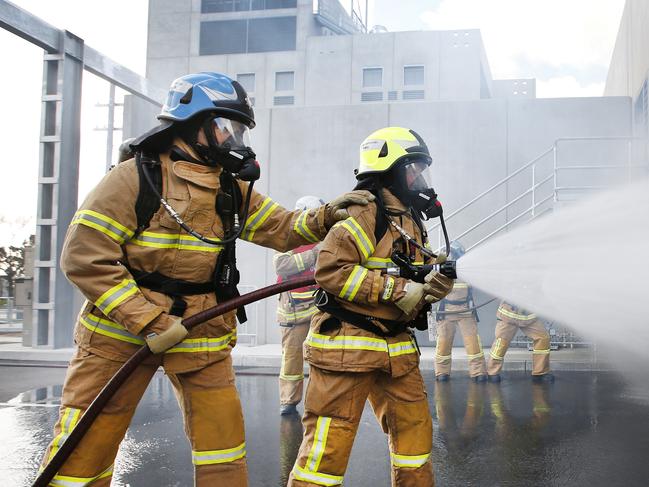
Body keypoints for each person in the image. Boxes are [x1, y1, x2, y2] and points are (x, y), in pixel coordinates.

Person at [39, 72, 374, 486]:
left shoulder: (230, 188)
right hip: (117, 334)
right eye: (227, 127)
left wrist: (327, 216)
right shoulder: (134, 178)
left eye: (239, 130)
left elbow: (283, 228)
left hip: (201, 328)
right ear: (193, 125)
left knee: (223, 447)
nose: (236, 139)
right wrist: (149, 321)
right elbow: (84, 257)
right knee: (84, 447)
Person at [288, 127, 454, 487]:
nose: (420, 179)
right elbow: (331, 271)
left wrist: (430, 288)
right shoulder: (364, 213)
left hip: (396, 349)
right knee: (326, 452)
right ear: (390, 169)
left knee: (415, 443)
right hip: (347, 347)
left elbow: (410, 281)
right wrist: (397, 290)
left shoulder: (411, 221)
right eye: (414, 169)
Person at [274, 195, 323, 415]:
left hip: (319, 309)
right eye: (315, 215)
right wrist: (314, 254)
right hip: (293, 312)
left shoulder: (324, 238)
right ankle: (289, 400)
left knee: (321, 357)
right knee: (292, 359)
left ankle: (318, 402)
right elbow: (283, 266)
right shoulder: (287, 238)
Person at [434, 241, 487, 382]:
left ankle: (478, 372)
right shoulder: (438, 269)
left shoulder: (467, 270)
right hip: (446, 312)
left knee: (473, 344)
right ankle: (442, 373)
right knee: (443, 345)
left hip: (466, 312)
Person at [487, 301, 554, 383]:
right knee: (501, 342)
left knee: (543, 338)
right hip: (508, 316)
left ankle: (540, 372)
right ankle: (492, 372)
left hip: (529, 317)